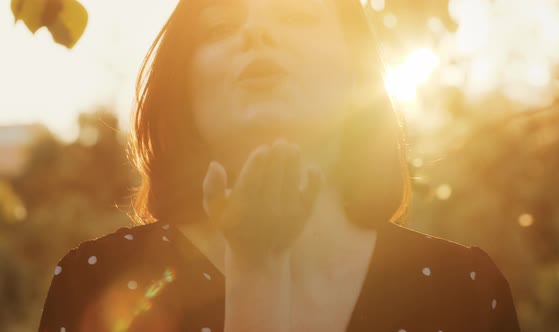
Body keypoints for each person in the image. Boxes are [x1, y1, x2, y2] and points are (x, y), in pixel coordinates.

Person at [38, 0, 521, 331]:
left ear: (358, 68)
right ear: (183, 83)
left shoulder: (465, 289)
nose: (256, 32)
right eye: (221, 27)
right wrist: (257, 269)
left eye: (294, 12)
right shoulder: (95, 282)